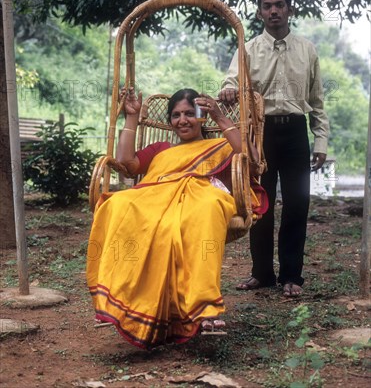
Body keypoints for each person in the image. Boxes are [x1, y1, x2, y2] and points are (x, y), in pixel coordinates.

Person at [86, 87, 267, 350]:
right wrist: (132, 116)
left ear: (202, 115)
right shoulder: (162, 149)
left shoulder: (221, 144)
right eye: (176, 115)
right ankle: (122, 298)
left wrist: (221, 118)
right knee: (118, 203)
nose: (183, 120)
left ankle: (205, 307)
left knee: (206, 207)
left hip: (203, 197)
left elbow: (252, 162)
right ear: (170, 121)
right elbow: (127, 166)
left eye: (189, 113)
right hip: (158, 198)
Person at [220, 0, 329, 297]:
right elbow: (230, 81)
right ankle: (262, 274)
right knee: (259, 204)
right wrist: (228, 90)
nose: (273, 11)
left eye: (279, 5)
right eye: (267, 6)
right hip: (260, 135)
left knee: (297, 204)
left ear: (289, 9)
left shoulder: (307, 49)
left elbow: (317, 101)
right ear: (259, 11)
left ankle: (292, 276)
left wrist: (320, 141)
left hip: (296, 132)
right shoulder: (249, 49)